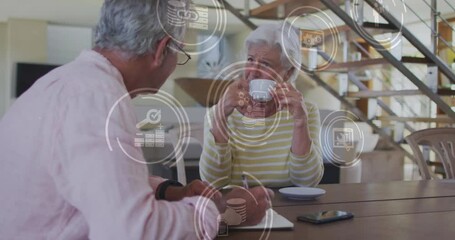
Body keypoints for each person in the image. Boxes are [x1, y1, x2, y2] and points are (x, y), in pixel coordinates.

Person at [0, 0, 272, 239]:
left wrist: (169, 191)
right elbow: (134, 232)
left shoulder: (67, 82)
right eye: (180, 54)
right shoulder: (98, 98)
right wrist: (223, 212)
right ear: (161, 49)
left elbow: (98, 180)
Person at [199, 22, 324, 188]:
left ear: (288, 72)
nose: (253, 71)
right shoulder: (218, 113)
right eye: (250, 59)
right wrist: (220, 117)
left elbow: (308, 182)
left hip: (288, 210)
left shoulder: (306, 112)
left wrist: (300, 122)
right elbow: (214, 182)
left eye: (265, 64)